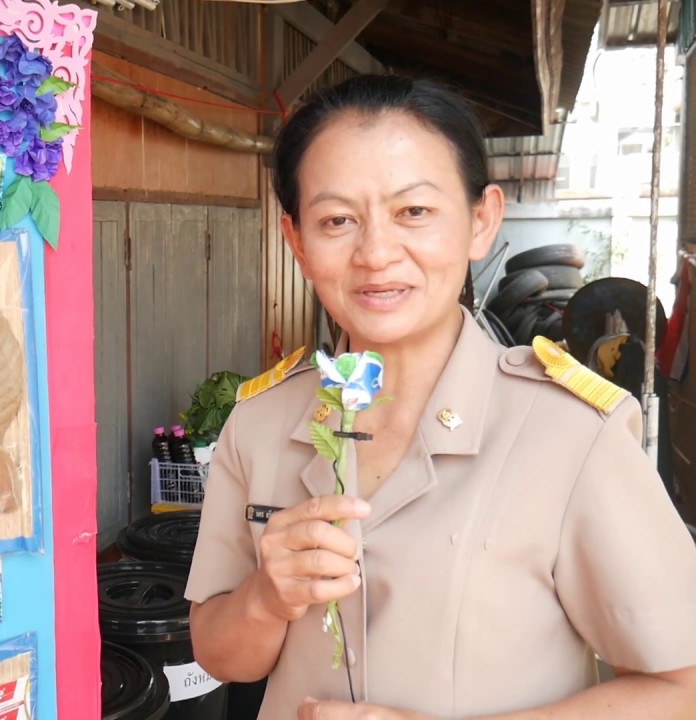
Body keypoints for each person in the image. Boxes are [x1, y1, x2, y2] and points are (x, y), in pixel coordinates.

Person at [184, 74, 696, 720]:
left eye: (413, 213)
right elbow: (219, 654)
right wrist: (265, 598)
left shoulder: (571, 435)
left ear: (482, 221)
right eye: (337, 220)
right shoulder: (258, 426)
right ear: (297, 243)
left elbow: (683, 689)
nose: (375, 254)